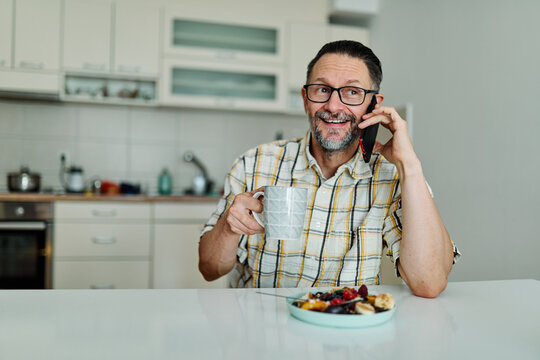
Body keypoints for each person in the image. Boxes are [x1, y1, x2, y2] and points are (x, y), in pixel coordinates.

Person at [199, 40, 460, 297]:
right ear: (305, 99)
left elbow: (429, 282)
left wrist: (410, 165)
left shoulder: (391, 175)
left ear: (374, 104)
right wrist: (228, 228)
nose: (334, 106)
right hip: (260, 328)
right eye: (322, 90)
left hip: (346, 332)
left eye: (352, 92)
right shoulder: (254, 162)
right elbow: (210, 269)